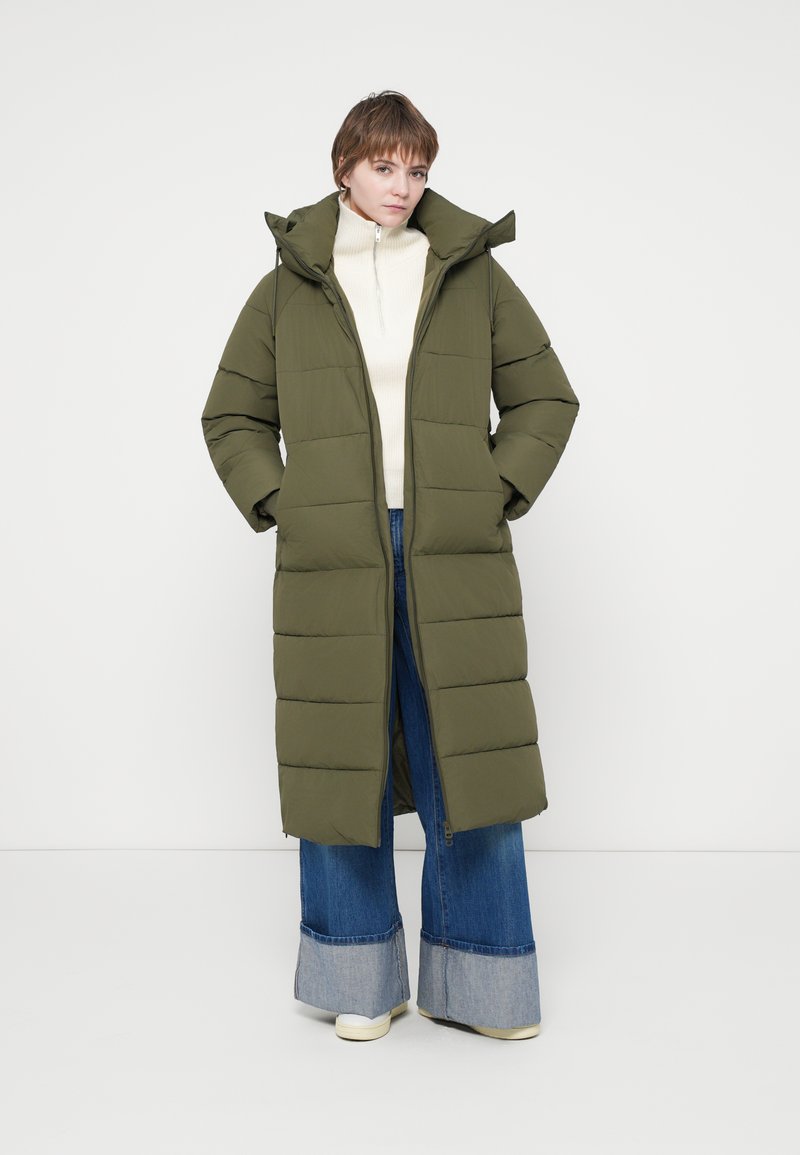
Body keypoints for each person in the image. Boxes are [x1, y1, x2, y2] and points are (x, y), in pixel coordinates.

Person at [201, 90, 580, 1042]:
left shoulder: (470, 271)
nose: (403, 186)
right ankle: (360, 977)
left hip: (454, 550)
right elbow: (232, 414)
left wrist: (490, 490)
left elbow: (546, 397)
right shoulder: (291, 283)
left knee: (471, 761)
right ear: (345, 169)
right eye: (384, 167)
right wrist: (288, 504)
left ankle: (485, 983)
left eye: (417, 169)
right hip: (334, 557)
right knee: (342, 765)